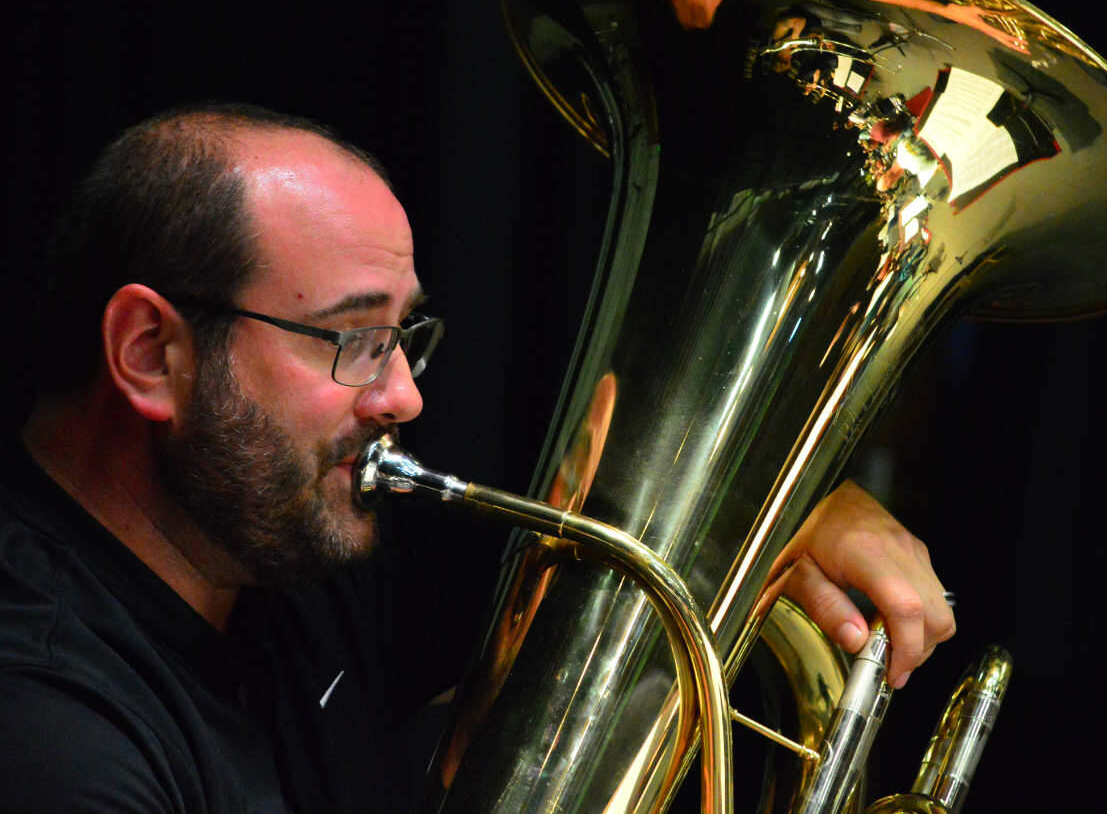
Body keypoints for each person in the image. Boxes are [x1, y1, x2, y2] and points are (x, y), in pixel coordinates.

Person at [0, 104, 954, 811]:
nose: (404, 395)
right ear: (147, 354)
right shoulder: (50, 731)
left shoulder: (271, 531)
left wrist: (781, 513)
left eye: (404, 332)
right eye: (350, 338)